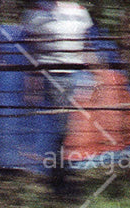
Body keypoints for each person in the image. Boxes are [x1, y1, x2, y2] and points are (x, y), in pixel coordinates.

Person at [22, 0, 96, 192]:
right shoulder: (38, 11)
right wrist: (32, 78)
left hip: (77, 73)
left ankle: (62, 174)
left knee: (72, 128)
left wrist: (96, 74)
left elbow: (86, 44)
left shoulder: (79, 11)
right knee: (61, 129)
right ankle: (60, 179)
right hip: (53, 74)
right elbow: (30, 47)